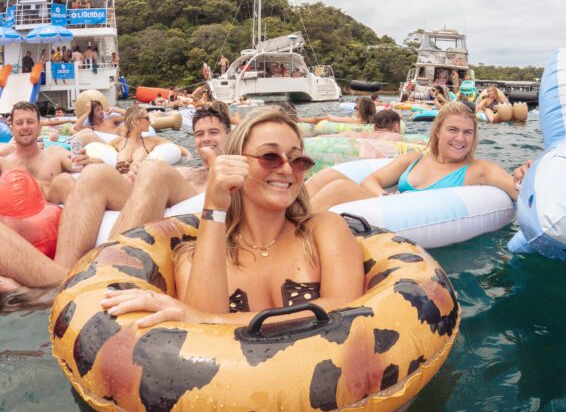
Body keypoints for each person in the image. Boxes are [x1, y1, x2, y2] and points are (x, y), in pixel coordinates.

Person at [100, 108, 364, 327]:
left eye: (298, 160)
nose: (286, 169)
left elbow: (345, 308)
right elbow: (199, 339)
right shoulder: (193, 255)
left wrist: (211, 320)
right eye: (270, 156)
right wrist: (215, 206)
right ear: (236, 162)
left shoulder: (324, 229)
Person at [2, 105, 232, 294]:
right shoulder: (186, 172)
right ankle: (62, 277)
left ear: (230, 135)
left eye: (214, 132)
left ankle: (83, 280)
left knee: (155, 171)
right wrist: (133, 175)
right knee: (95, 175)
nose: (206, 139)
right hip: (158, 198)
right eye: (200, 134)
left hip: (184, 201)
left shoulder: (236, 174)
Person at [308, 101, 530, 213]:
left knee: (339, 188)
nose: (460, 138)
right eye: (453, 130)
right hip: (385, 213)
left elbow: (519, 190)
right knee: (328, 179)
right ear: (438, 132)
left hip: (415, 229)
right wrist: (384, 200)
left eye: (468, 132)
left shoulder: (479, 170)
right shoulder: (413, 158)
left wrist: (526, 174)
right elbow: (370, 181)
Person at [108, 104, 190, 174]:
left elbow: (177, 147)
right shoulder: (118, 141)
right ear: (137, 120)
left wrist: (189, 157)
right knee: (126, 151)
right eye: (147, 118)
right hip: (122, 179)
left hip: (141, 177)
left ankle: (134, 165)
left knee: (141, 151)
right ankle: (122, 164)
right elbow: (99, 150)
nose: (150, 121)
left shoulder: (152, 140)